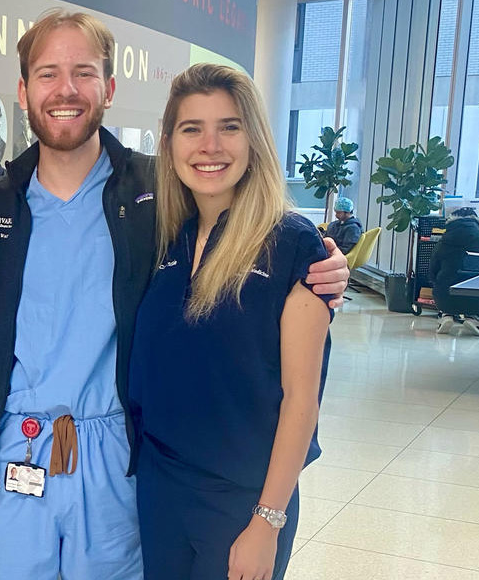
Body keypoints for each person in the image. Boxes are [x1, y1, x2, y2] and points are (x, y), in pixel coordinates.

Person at [0, 14, 348, 579]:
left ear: (110, 88)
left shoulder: (153, 197)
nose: (66, 90)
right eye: (48, 73)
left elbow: (252, 225)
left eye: (84, 73)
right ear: (23, 90)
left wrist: (323, 261)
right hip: (18, 450)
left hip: (116, 456)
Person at [129, 63, 333, 580]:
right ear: (170, 142)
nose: (210, 146)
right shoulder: (167, 237)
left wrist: (267, 522)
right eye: (192, 128)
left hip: (242, 502)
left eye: (229, 127)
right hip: (161, 490)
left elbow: (301, 401)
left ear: (254, 139)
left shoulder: (291, 243)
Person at [431, 206, 479, 336]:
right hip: (478, 299)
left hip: (445, 297)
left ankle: (446, 314)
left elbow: (432, 272)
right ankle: (473, 318)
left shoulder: (442, 242)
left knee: (443, 282)